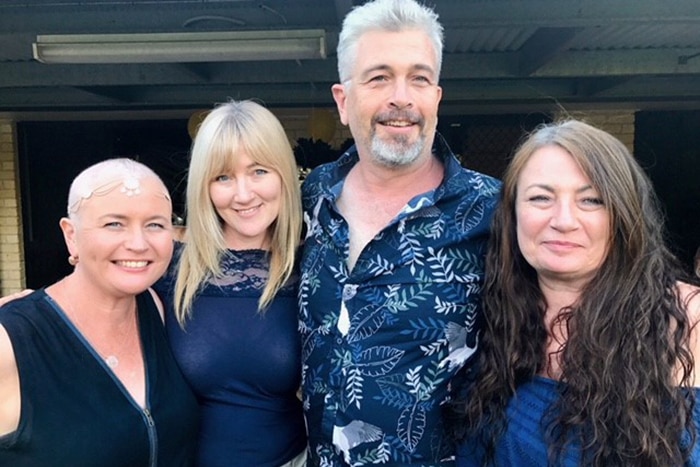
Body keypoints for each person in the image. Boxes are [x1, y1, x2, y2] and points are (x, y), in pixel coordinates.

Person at [298, 0, 501, 464]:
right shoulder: (314, 195)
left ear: (436, 98)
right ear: (343, 101)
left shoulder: (493, 210)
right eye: (379, 77)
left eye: (419, 78)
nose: (401, 96)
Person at [448, 120, 700, 466]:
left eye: (591, 200)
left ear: (623, 215)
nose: (564, 220)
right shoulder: (482, 315)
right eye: (540, 197)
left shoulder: (688, 319)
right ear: (511, 214)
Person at [0, 158, 199, 465]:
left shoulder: (157, 306)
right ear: (71, 235)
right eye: (114, 224)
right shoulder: (12, 341)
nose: (138, 243)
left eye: (155, 224)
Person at [152, 99, 307, 467]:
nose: (242, 194)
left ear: (284, 173)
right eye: (223, 177)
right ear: (203, 187)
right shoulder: (167, 266)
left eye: (258, 172)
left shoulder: (312, 267)